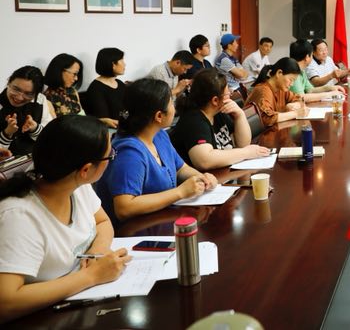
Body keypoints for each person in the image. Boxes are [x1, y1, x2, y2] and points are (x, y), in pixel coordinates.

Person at [0, 116, 131, 323]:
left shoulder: (75, 185)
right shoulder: (19, 217)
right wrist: (92, 276)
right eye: (110, 156)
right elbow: (6, 302)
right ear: (86, 170)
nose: (112, 158)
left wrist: (96, 252)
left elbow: (103, 223)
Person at [96, 79, 218, 223]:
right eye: (171, 103)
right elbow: (124, 208)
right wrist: (180, 192)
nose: (174, 107)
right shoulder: (129, 152)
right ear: (159, 116)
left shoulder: (159, 135)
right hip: (135, 229)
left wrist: (201, 178)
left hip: (162, 219)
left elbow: (180, 168)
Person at [169, 69, 270, 169]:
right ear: (215, 100)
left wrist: (240, 115)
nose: (230, 93)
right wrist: (246, 153)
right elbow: (204, 161)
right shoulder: (194, 121)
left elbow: (243, 144)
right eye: (227, 92)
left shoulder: (218, 112)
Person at [0, 67, 55, 156]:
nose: (19, 97)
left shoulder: (40, 100)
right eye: (16, 89)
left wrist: (35, 128)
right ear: (9, 82)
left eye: (28, 94)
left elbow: (49, 137)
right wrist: (7, 133)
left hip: (34, 157)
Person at [245, 58, 308, 127]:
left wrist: (293, 105)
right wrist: (295, 113)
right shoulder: (263, 90)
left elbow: (298, 98)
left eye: (293, 81)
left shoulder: (281, 89)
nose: (292, 84)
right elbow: (267, 119)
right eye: (291, 79)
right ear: (279, 73)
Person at [83, 48, 127, 129]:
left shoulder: (120, 84)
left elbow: (126, 110)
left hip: (124, 126)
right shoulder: (96, 88)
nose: (125, 64)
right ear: (113, 64)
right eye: (122, 60)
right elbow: (104, 119)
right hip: (108, 130)